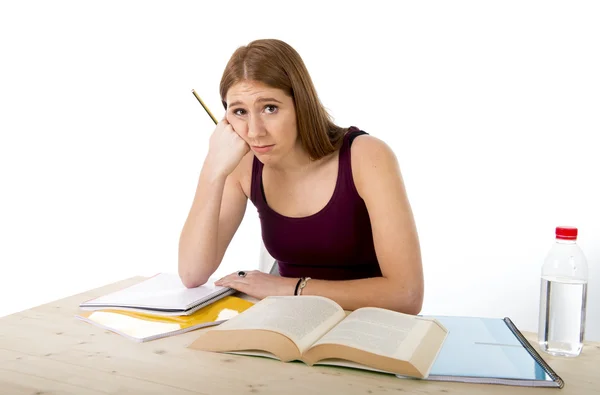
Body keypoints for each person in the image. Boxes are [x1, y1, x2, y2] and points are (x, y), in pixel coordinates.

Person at [178, 39, 423, 314]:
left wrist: (290, 288)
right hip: (295, 326)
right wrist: (212, 170)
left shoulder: (366, 156)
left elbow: (407, 295)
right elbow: (192, 273)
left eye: (270, 108)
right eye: (239, 111)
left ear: (301, 104)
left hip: (370, 327)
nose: (255, 131)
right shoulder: (244, 165)